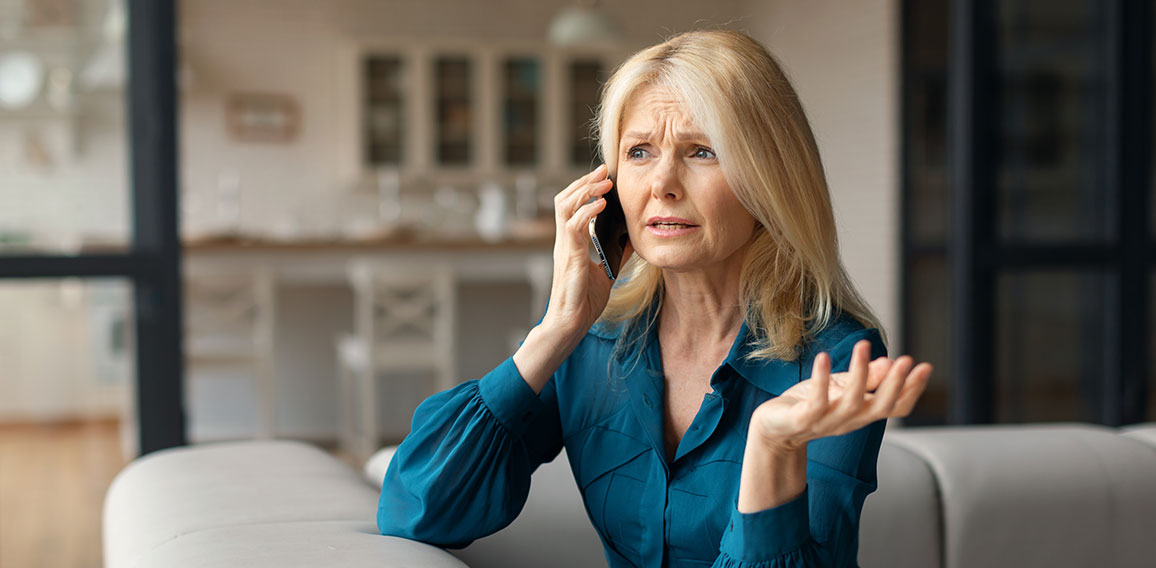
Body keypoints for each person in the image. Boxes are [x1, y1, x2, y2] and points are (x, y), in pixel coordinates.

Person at [377, 29, 932, 568]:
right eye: (639, 151)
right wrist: (555, 328)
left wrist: (771, 450)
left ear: (770, 177)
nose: (662, 183)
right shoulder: (593, 341)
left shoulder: (836, 358)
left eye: (702, 151)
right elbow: (416, 510)